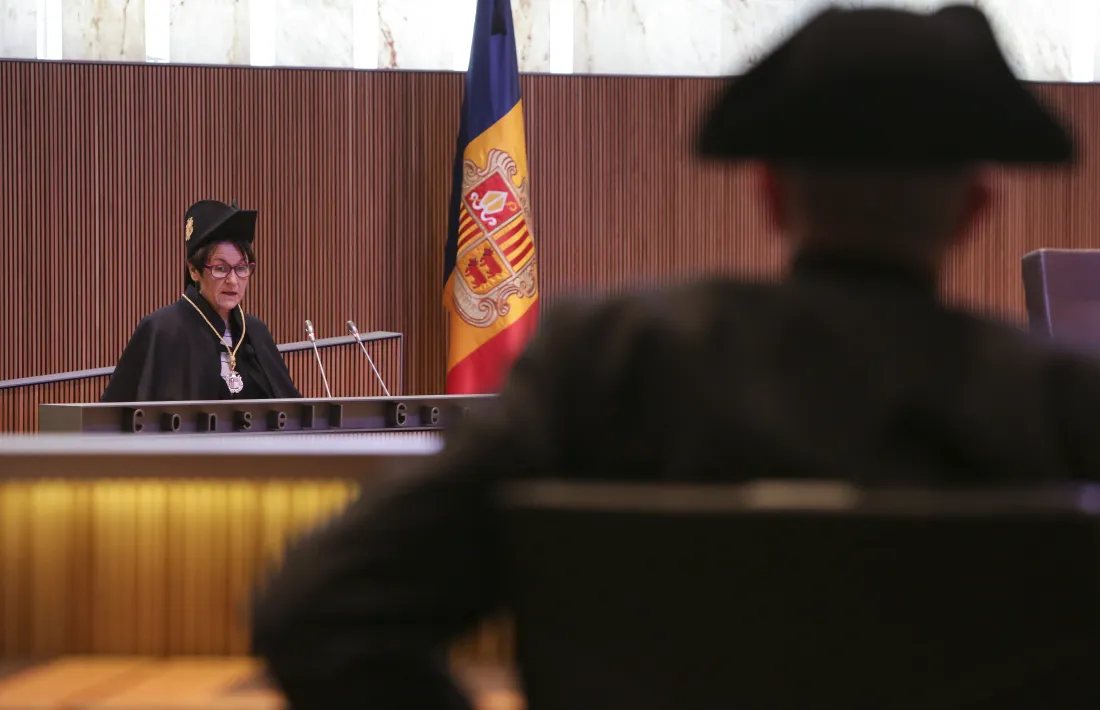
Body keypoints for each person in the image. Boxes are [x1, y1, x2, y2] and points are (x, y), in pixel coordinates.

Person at [251, 5, 1100, 709]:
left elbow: (318, 612)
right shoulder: (1062, 407)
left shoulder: (612, 367)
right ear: (976, 210)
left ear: (768, 192)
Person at [102, 199, 301, 402]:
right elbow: (116, 413)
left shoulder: (256, 332)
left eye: (241, 268)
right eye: (221, 268)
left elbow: (291, 411)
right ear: (194, 271)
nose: (233, 281)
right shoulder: (161, 330)